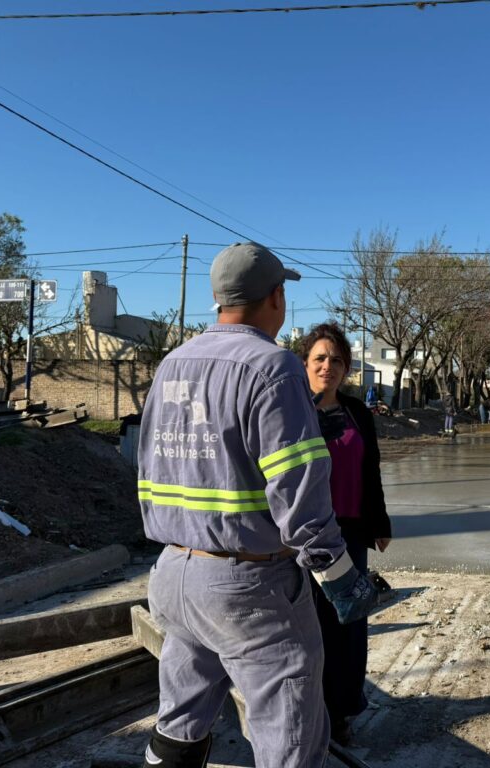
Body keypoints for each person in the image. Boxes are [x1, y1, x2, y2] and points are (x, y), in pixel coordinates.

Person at [138, 242, 377, 768]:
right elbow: (299, 491)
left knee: (180, 722)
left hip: (174, 574)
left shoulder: (172, 364)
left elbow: (149, 466)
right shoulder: (273, 367)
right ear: (275, 297)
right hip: (249, 587)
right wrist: (340, 578)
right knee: (291, 737)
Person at [300, 322, 393, 745]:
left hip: (350, 535)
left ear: (347, 367)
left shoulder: (357, 411)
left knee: (348, 625)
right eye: (320, 358)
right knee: (307, 627)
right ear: (305, 364)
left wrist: (380, 523)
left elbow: (370, 469)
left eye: (337, 360)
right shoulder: (293, 409)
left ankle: (340, 712)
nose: (328, 366)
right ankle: (307, 710)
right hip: (304, 536)